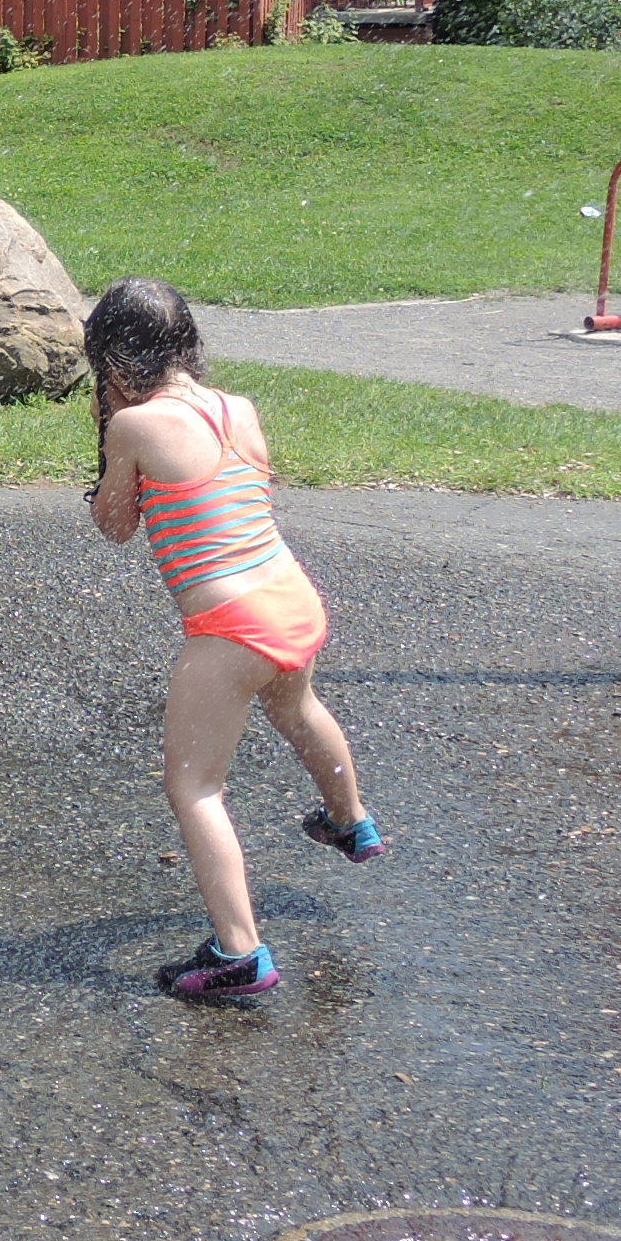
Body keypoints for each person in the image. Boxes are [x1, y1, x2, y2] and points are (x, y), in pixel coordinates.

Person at [81, 277, 384, 1000]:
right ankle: (350, 820)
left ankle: (239, 953)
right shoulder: (237, 408)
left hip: (230, 627)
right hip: (290, 598)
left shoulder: (134, 426)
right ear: (187, 342)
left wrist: (107, 432)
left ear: (114, 363)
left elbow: (115, 525)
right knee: (295, 705)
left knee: (194, 787)